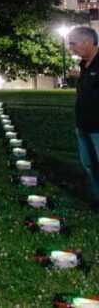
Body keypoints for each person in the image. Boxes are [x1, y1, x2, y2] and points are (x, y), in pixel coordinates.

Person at [69, 26, 99, 205]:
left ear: (88, 42)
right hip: (83, 126)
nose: (71, 49)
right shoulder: (84, 64)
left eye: (73, 44)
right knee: (89, 165)